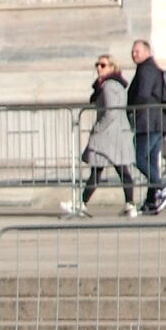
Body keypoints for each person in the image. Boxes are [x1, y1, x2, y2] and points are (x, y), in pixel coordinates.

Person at [67, 54, 139, 217]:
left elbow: (111, 112)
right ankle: (129, 203)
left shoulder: (109, 86)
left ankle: (82, 203)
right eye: (97, 64)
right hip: (116, 134)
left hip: (109, 136)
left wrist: (98, 128)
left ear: (112, 67)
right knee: (117, 170)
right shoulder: (117, 85)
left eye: (103, 65)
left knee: (102, 170)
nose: (99, 68)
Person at [126, 38, 166, 213]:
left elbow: (143, 94)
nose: (134, 54)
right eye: (133, 51)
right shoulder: (151, 68)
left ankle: (162, 187)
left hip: (148, 122)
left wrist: (131, 110)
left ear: (147, 52)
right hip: (158, 122)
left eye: (137, 51)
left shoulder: (146, 69)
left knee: (139, 159)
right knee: (151, 162)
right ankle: (151, 200)